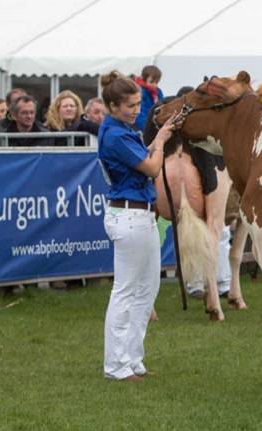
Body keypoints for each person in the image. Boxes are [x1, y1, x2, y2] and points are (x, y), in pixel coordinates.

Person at [98, 70, 179, 382]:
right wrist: (159, 141)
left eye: (136, 103)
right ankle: (116, 365)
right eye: (130, 105)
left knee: (147, 288)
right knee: (126, 291)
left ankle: (132, 359)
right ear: (113, 105)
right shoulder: (116, 135)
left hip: (140, 214)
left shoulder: (121, 129)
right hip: (129, 214)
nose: (136, 109)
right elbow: (152, 166)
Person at [135, 65, 164, 131]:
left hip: (155, 124)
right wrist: (149, 129)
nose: (155, 85)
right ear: (143, 79)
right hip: (144, 128)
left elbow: (163, 107)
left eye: (157, 82)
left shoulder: (158, 92)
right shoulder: (140, 93)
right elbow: (140, 115)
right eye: (151, 82)